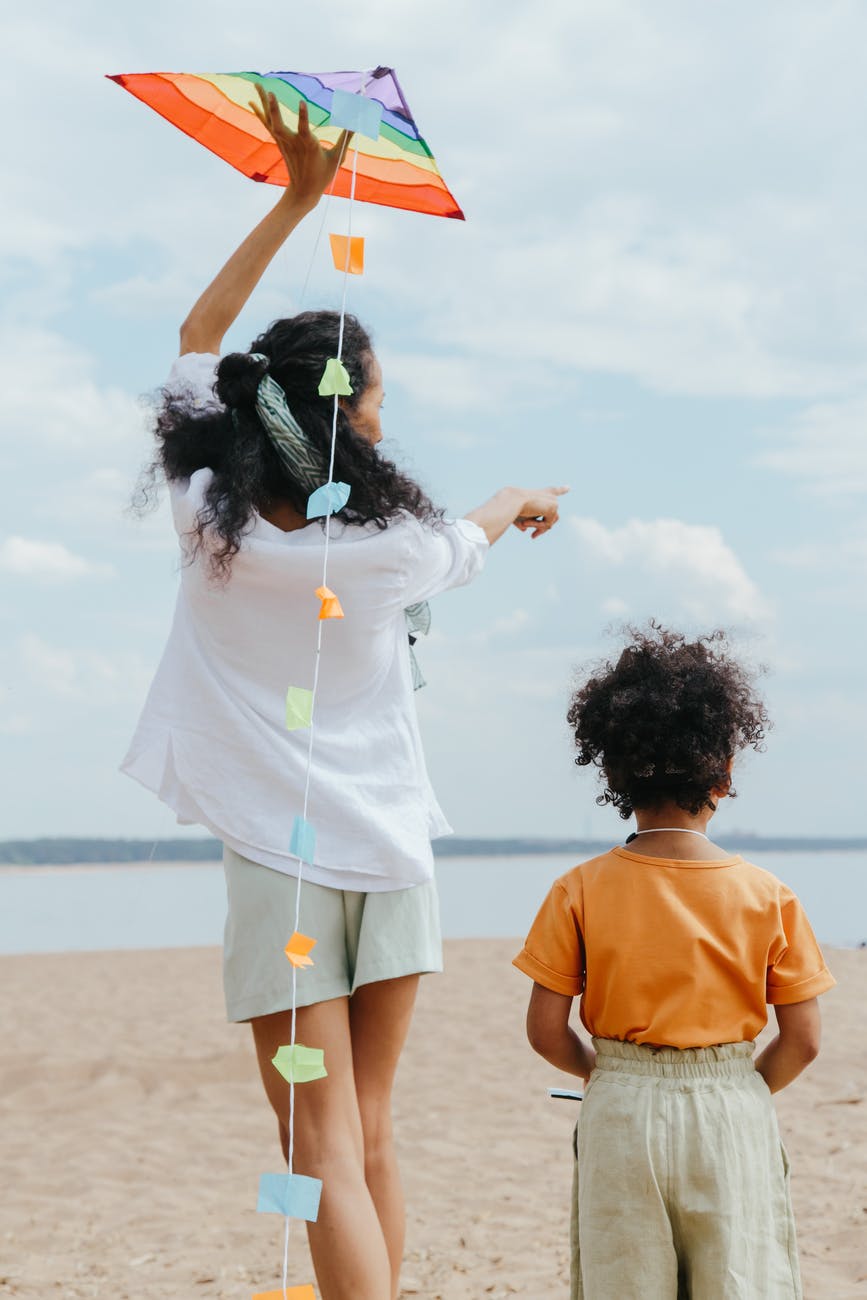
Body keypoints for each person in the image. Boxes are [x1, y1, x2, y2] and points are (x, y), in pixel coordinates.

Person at [123, 88, 567, 1300]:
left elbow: (199, 325)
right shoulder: (395, 546)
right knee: (361, 1135)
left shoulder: (205, 520)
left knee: (311, 1147)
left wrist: (298, 199)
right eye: (377, 394)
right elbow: (474, 531)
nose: (386, 412)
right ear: (350, 416)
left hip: (284, 868)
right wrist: (520, 497)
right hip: (396, 855)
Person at [512, 624, 835, 1299]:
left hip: (621, 1106)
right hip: (729, 1107)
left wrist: (607, 1074)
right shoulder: (767, 895)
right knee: (741, 1279)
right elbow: (801, 1041)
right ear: (723, 776)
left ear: (613, 775)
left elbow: (545, 1031)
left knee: (623, 1281)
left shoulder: (577, 888)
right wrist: (740, 1091)